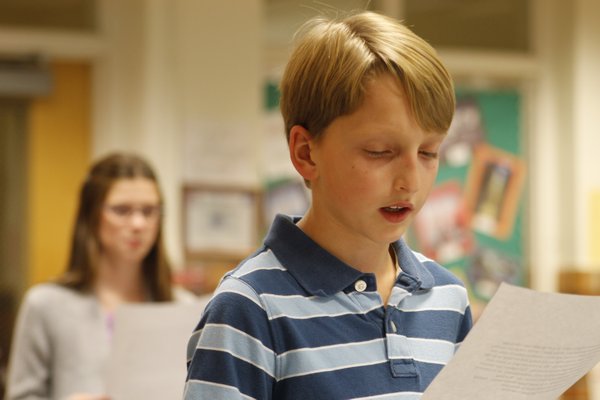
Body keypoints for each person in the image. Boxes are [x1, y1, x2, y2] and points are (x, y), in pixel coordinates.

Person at [184, 10, 473, 400]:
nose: (411, 180)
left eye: (428, 152)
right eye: (380, 152)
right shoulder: (249, 308)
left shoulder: (448, 298)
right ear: (306, 153)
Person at [5, 153, 196, 400]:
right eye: (121, 210)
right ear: (92, 216)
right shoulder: (45, 305)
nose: (138, 223)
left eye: (149, 211)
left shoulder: (183, 308)